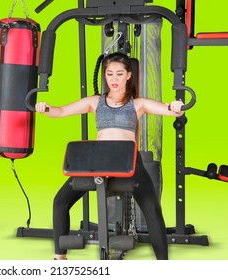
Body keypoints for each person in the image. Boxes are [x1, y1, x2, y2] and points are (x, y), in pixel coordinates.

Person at [35, 52, 185, 260]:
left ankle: (163, 264)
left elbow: (169, 110)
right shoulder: (95, 102)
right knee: (60, 201)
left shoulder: (137, 104)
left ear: (129, 76)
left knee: (151, 208)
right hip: (99, 161)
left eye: (119, 74)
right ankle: (60, 258)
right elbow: (60, 111)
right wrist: (45, 108)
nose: (114, 79)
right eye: (110, 74)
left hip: (129, 162)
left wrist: (176, 107)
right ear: (105, 75)